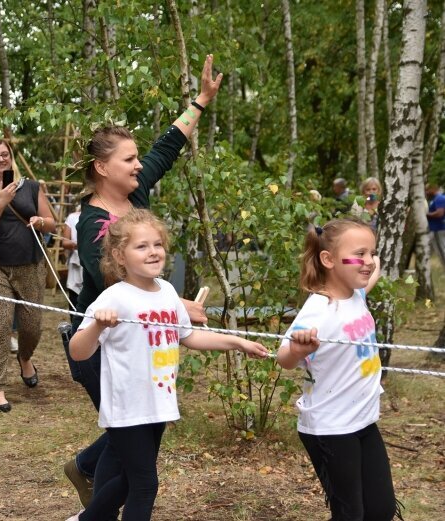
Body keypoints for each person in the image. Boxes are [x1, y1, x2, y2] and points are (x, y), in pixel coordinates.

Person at [62, 54, 219, 507]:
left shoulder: (137, 193)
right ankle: (90, 481)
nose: (137, 165)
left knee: (133, 443)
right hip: (100, 344)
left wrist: (201, 102)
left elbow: (167, 146)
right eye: (127, 160)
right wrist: (177, 303)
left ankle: (88, 477)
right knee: (134, 450)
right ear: (102, 168)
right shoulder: (92, 222)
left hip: (143, 340)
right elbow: (109, 274)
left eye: (135, 159)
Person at [66, 209, 267, 521]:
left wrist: (237, 342)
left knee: (129, 481)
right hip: (127, 408)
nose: (153, 251)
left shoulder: (168, 292)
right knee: (145, 485)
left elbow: (189, 336)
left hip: (158, 403)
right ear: (120, 256)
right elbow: (78, 351)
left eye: (157, 244)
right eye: (142, 246)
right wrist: (97, 327)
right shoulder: (114, 298)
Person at [276, 218, 401, 521]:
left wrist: (369, 258)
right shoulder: (320, 308)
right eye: (360, 254)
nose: (368, 262)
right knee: (350, 514)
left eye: (372, 253)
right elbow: (284, 358)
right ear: (328, 260)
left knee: (381, 509)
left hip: (363, 421)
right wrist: (298, 348)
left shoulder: (355, 294)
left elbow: (370, 273)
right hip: (330, 428)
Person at [0, 138, 55, 412]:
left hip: (31, 266)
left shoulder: (32, 188)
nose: (0, 159)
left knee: (32, 327)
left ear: (11, 157)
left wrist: (40, 221)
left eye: (4, 154)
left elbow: (51, 222)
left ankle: (24, 357)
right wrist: (2, 201)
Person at [62, 206, 83, 305]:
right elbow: (65, 242)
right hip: (76, 261)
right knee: (75, 297)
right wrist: (77, 244)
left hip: (95, 261)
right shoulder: (72, 217)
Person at [426, 183, 445, 268]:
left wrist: (425, 214)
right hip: (435, 228)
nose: (426, 192)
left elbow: (440, 213)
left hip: (439, 228)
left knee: (442, 250)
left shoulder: (439, 198)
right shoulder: (435, 199)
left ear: (433, 188)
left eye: (427, 190)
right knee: (439, 251)